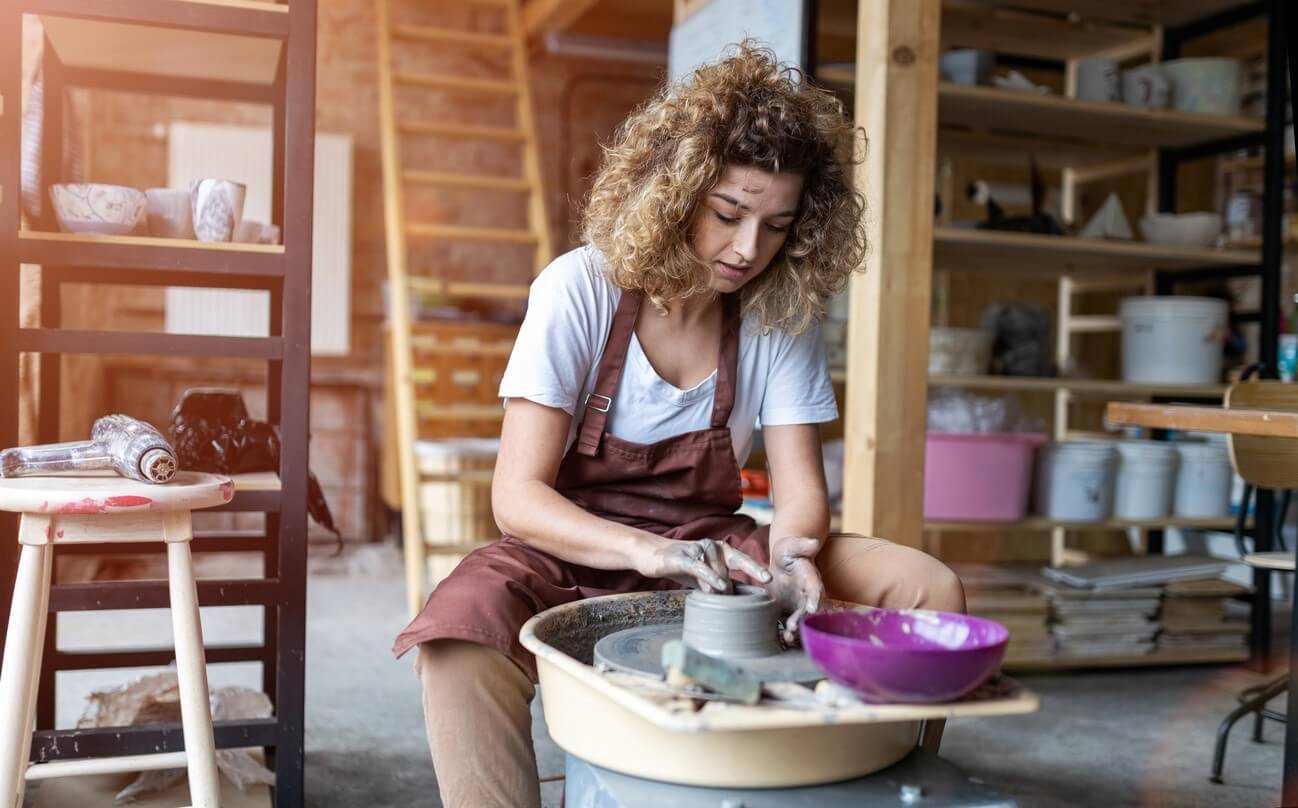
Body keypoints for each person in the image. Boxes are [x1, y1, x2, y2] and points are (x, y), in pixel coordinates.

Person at [393, 43, 966, 808]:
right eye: (729, 214)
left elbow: (800, 499)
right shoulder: (579, 290)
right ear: (676, 191)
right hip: (571, 549)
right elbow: (517, 500)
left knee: (929, 587)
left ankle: (862, 790)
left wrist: (794, 562)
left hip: (714, 551)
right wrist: (650, 553)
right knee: (459, 637)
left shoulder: (775, 315)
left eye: (776, 226)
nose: (746, 249)